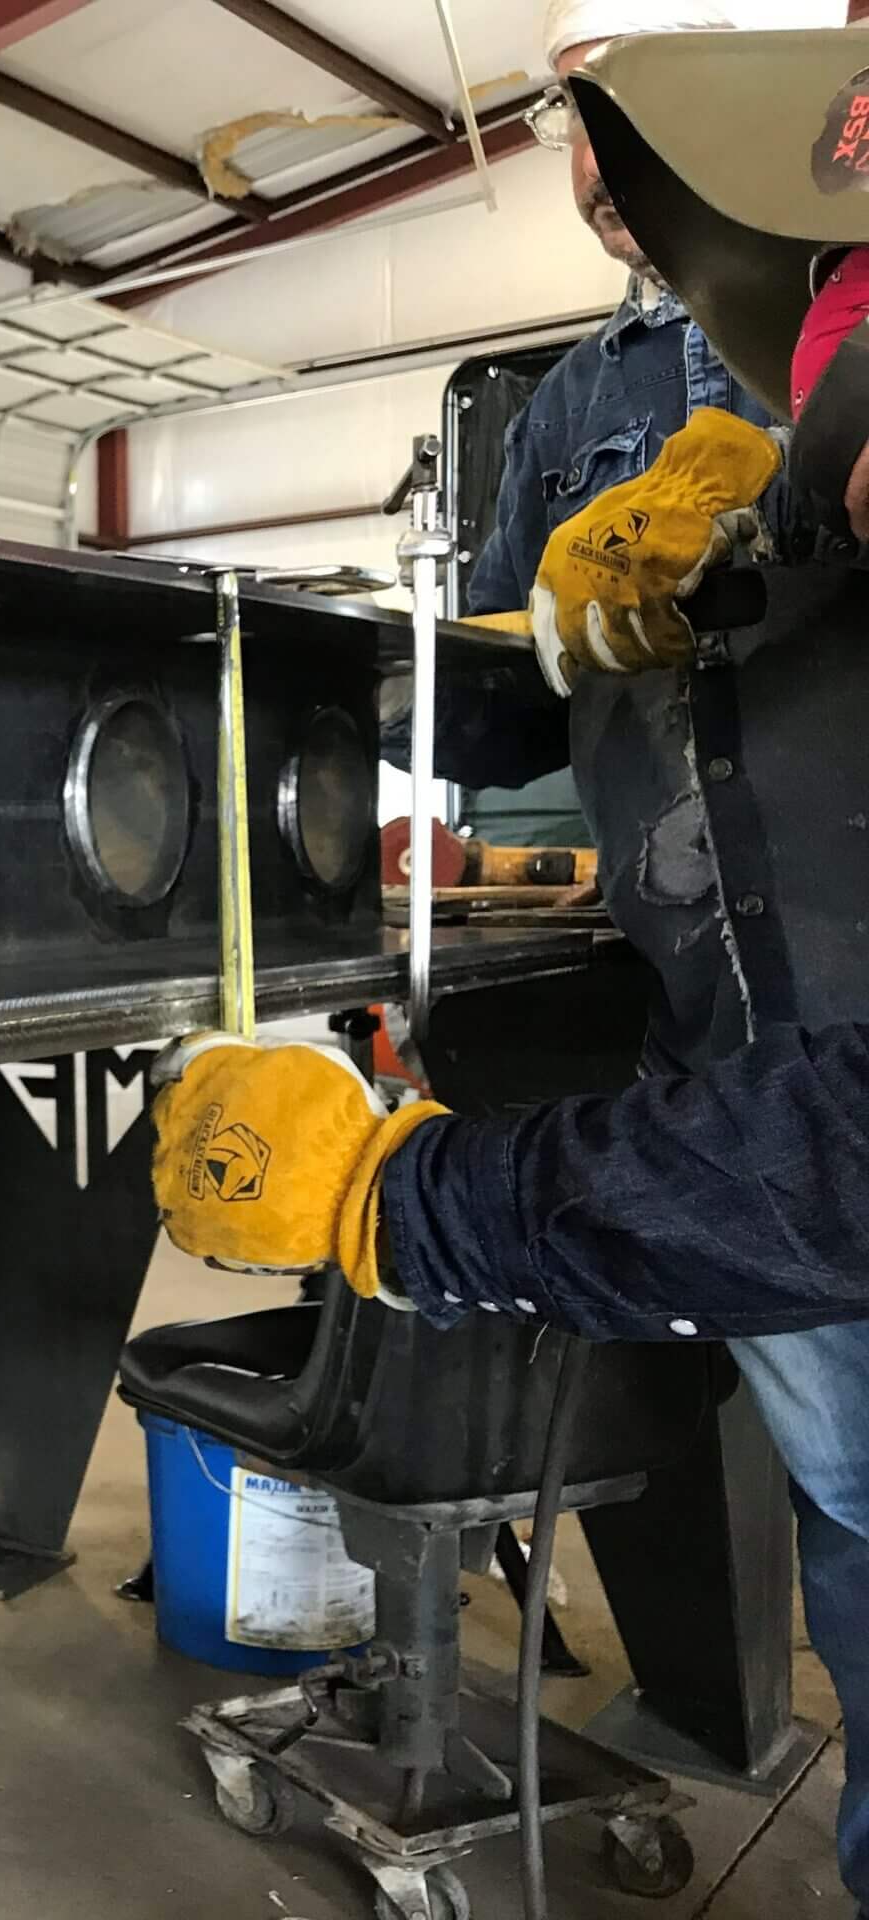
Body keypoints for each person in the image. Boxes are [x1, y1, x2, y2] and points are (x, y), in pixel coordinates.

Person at [153, 15, 869, 1913]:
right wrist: (663, 580)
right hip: (726, 1017)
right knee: (859, 1510)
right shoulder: (580, 403)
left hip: (817, 1065)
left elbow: (848, 1155)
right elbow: (483, 698)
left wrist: (403, 1199)